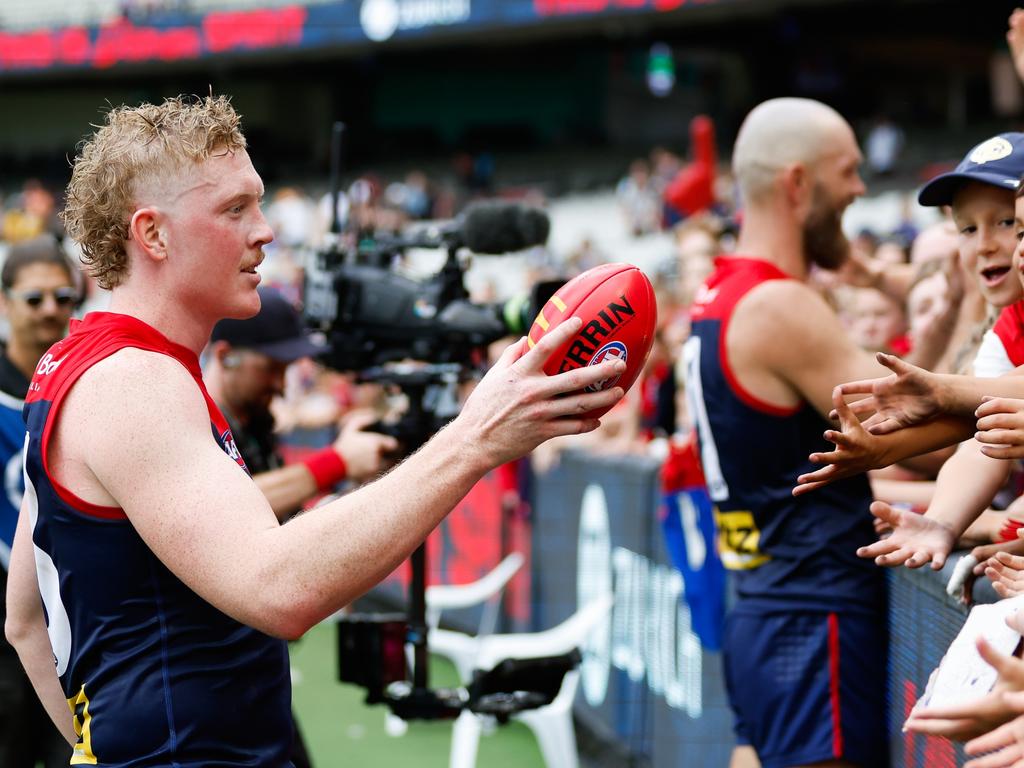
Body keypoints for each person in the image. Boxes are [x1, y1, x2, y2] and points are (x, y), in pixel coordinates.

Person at [3, 95, 627, 767]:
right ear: (152, 234)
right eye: (235, 209)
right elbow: (280, 589)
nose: (265, 231)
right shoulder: (134, 381)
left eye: (260, 204)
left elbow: (25, 619)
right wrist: (475, 436)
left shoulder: (79, 362)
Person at [684, 97, 899, 768]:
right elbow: (921, 422)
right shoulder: (777, 304)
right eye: (850, 172)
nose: (861, 189)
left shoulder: (718, 297)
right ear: (799, 183)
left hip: (763, 606)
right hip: (814, 620)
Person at [205, 286, 397, 521]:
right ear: (226, 356)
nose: (280, 384)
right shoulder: (194, 422)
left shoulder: (255, 424)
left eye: (286, 370)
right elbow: (222, 507)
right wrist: (339, 461)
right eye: (271, 368)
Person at [0, 236, 77, 767]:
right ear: (5, 303)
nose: (51, 309)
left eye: (63, 296)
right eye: (34, 299)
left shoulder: (83, 387)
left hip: (71, 619)